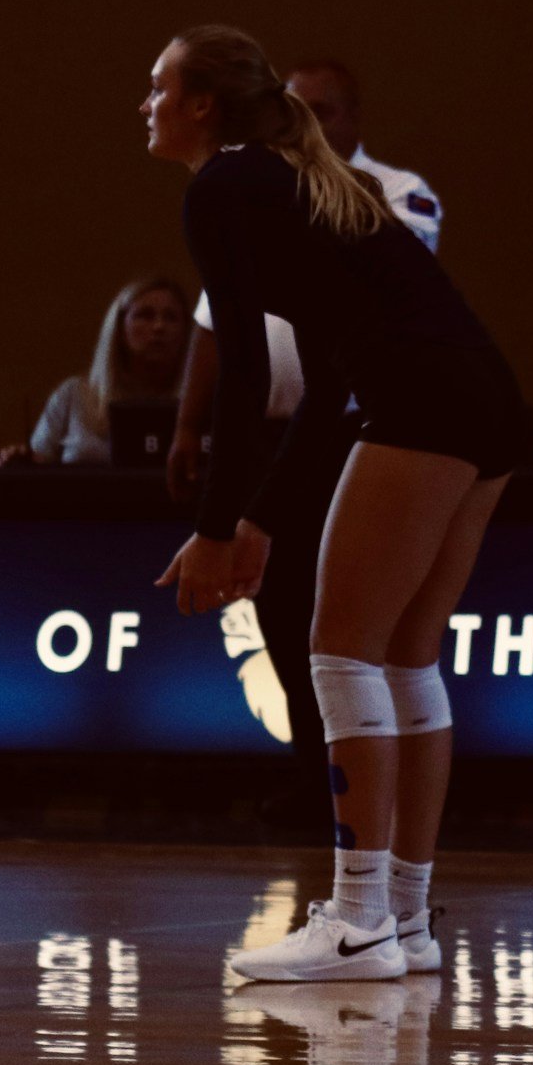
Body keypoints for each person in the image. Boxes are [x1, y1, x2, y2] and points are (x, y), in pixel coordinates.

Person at [141, 23, 533, 983]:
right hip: (489, 402)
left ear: (202, 105)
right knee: (404, 653)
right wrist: (260, 523)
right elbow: (319, 392)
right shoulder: (293, 184)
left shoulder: (225, 185)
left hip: (424, 403)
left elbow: (242, 375)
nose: (144, 105)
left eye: (157, 87)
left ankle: (359, 917)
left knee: (341, 650)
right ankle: (403, 917)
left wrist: (211, 528)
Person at [168, 59, 441, 837]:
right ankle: (312, 778)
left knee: (356, 622)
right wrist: (190, 425)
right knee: (282, 615)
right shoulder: (256, 195)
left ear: (353, 117)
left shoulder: (395, 190)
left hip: (361, 428)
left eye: (321, 109)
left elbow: (381, 277)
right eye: (293, 109)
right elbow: (216, 325)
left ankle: (378, 793)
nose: (307, 123)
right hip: (272, 435)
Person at [0, 277, 190, 465]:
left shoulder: (202, 402)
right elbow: (38, 462)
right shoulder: (73, 395)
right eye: (145, 315)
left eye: (171, 317)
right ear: (119, 328)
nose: (159, 327)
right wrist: (21, 460)